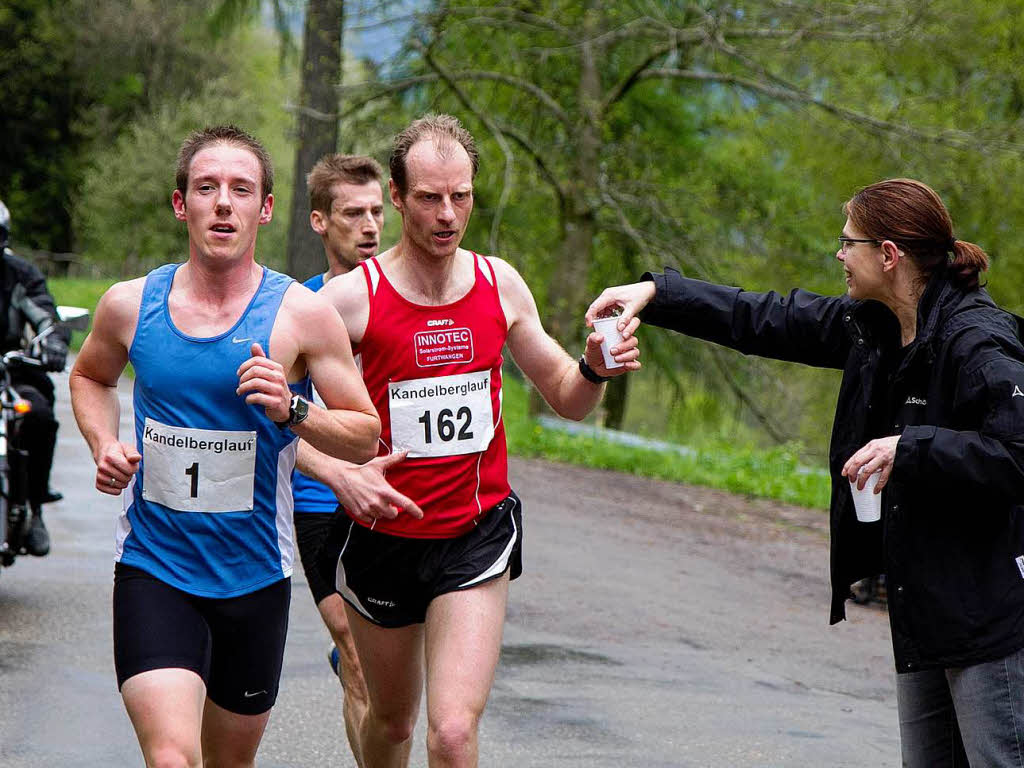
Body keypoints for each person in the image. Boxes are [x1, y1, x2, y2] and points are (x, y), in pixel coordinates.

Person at [587, 178, 1024, 768]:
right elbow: (763, 317)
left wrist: (912, 449)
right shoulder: (876, 327)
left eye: (848, 243)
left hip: (991, 619)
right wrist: (656, 293)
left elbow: (1016, 453)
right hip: (924, 609)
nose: (840, 256)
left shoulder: (977, 340)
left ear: (888, 255)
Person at [298, 114, 641, 768]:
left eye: (461, 195)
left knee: (452, 733)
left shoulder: (498, 283)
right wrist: (333, 471)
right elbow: (263, 409)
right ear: (397, 198)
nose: (448, 213)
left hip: (474, 535)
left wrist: (596, 364)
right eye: (429, 197)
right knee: (392, 724)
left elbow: (568, 396)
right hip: (381, 539)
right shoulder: (348, 301)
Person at [69, 125, 380, 768]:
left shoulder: (301, 314)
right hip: (156, 570)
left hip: (254, 578)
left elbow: (364, 432)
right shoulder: (130, 306)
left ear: (265, 209)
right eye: (206, 188)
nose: (223, 203)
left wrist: (292, 409)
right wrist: (104, 441)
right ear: (181, 204)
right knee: (172, 757)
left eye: (241, 190)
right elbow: (90, 375)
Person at [292, 153, 386, 765]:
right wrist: (333, 470)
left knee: (391, 676)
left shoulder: (417, 299)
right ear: (321, 222)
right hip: (322, 502)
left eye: (379, 211)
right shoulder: (298, 311)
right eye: (354, 213)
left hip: (406, 500)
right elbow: (270, 421)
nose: (371, 226)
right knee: (355, 652)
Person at [0, 198, 70, 556]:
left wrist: (53, 342)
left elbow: (46, 314)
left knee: (38, 413)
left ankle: (34, 506)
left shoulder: (20, 274)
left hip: (11, 370)